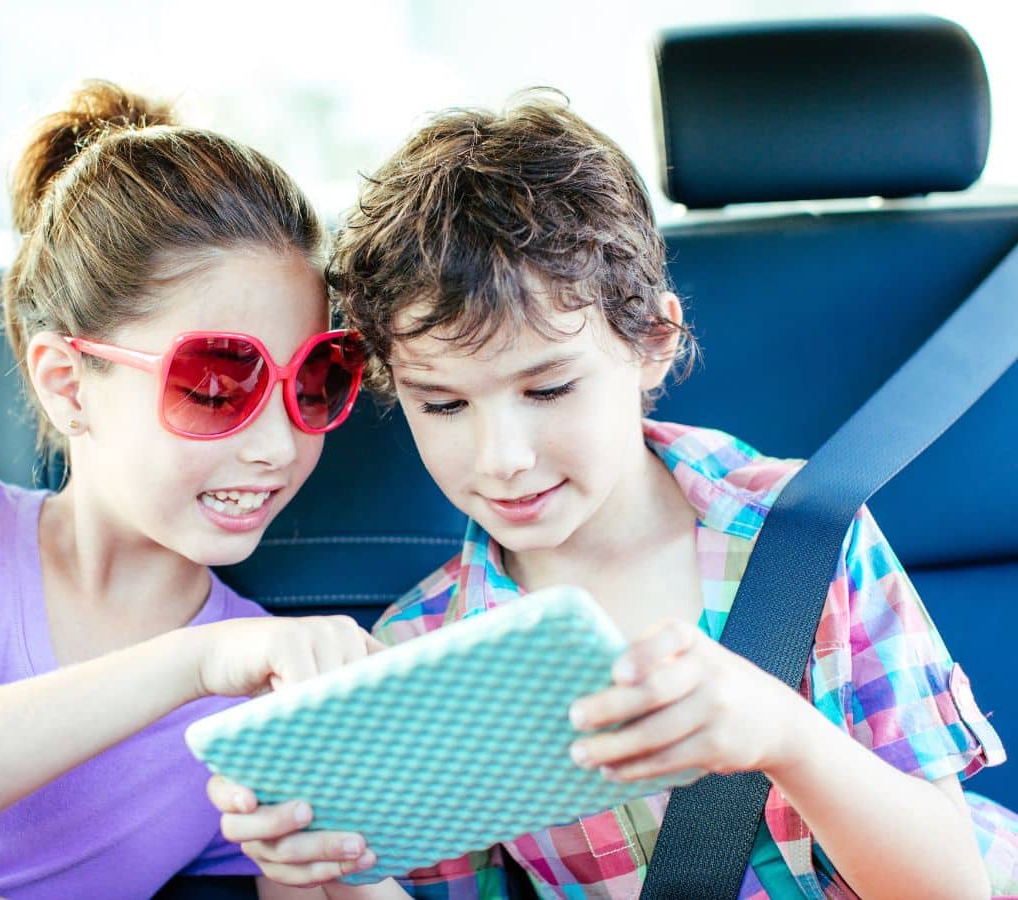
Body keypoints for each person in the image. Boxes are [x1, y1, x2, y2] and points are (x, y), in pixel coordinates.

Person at [209, 93, 1018, 898]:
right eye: (444, 404)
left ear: (653, 343)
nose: (505, 461)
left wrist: (784, 738)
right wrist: (330, 865)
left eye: (551, 388)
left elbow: (950, 887)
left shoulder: (804, 532)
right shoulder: (421, 649)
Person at [0, 81, 386, 899]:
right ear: (68, 385)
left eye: (314, 383)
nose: (277, 445)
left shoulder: (269, 693)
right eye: (218, 387)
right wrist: (196, 664)